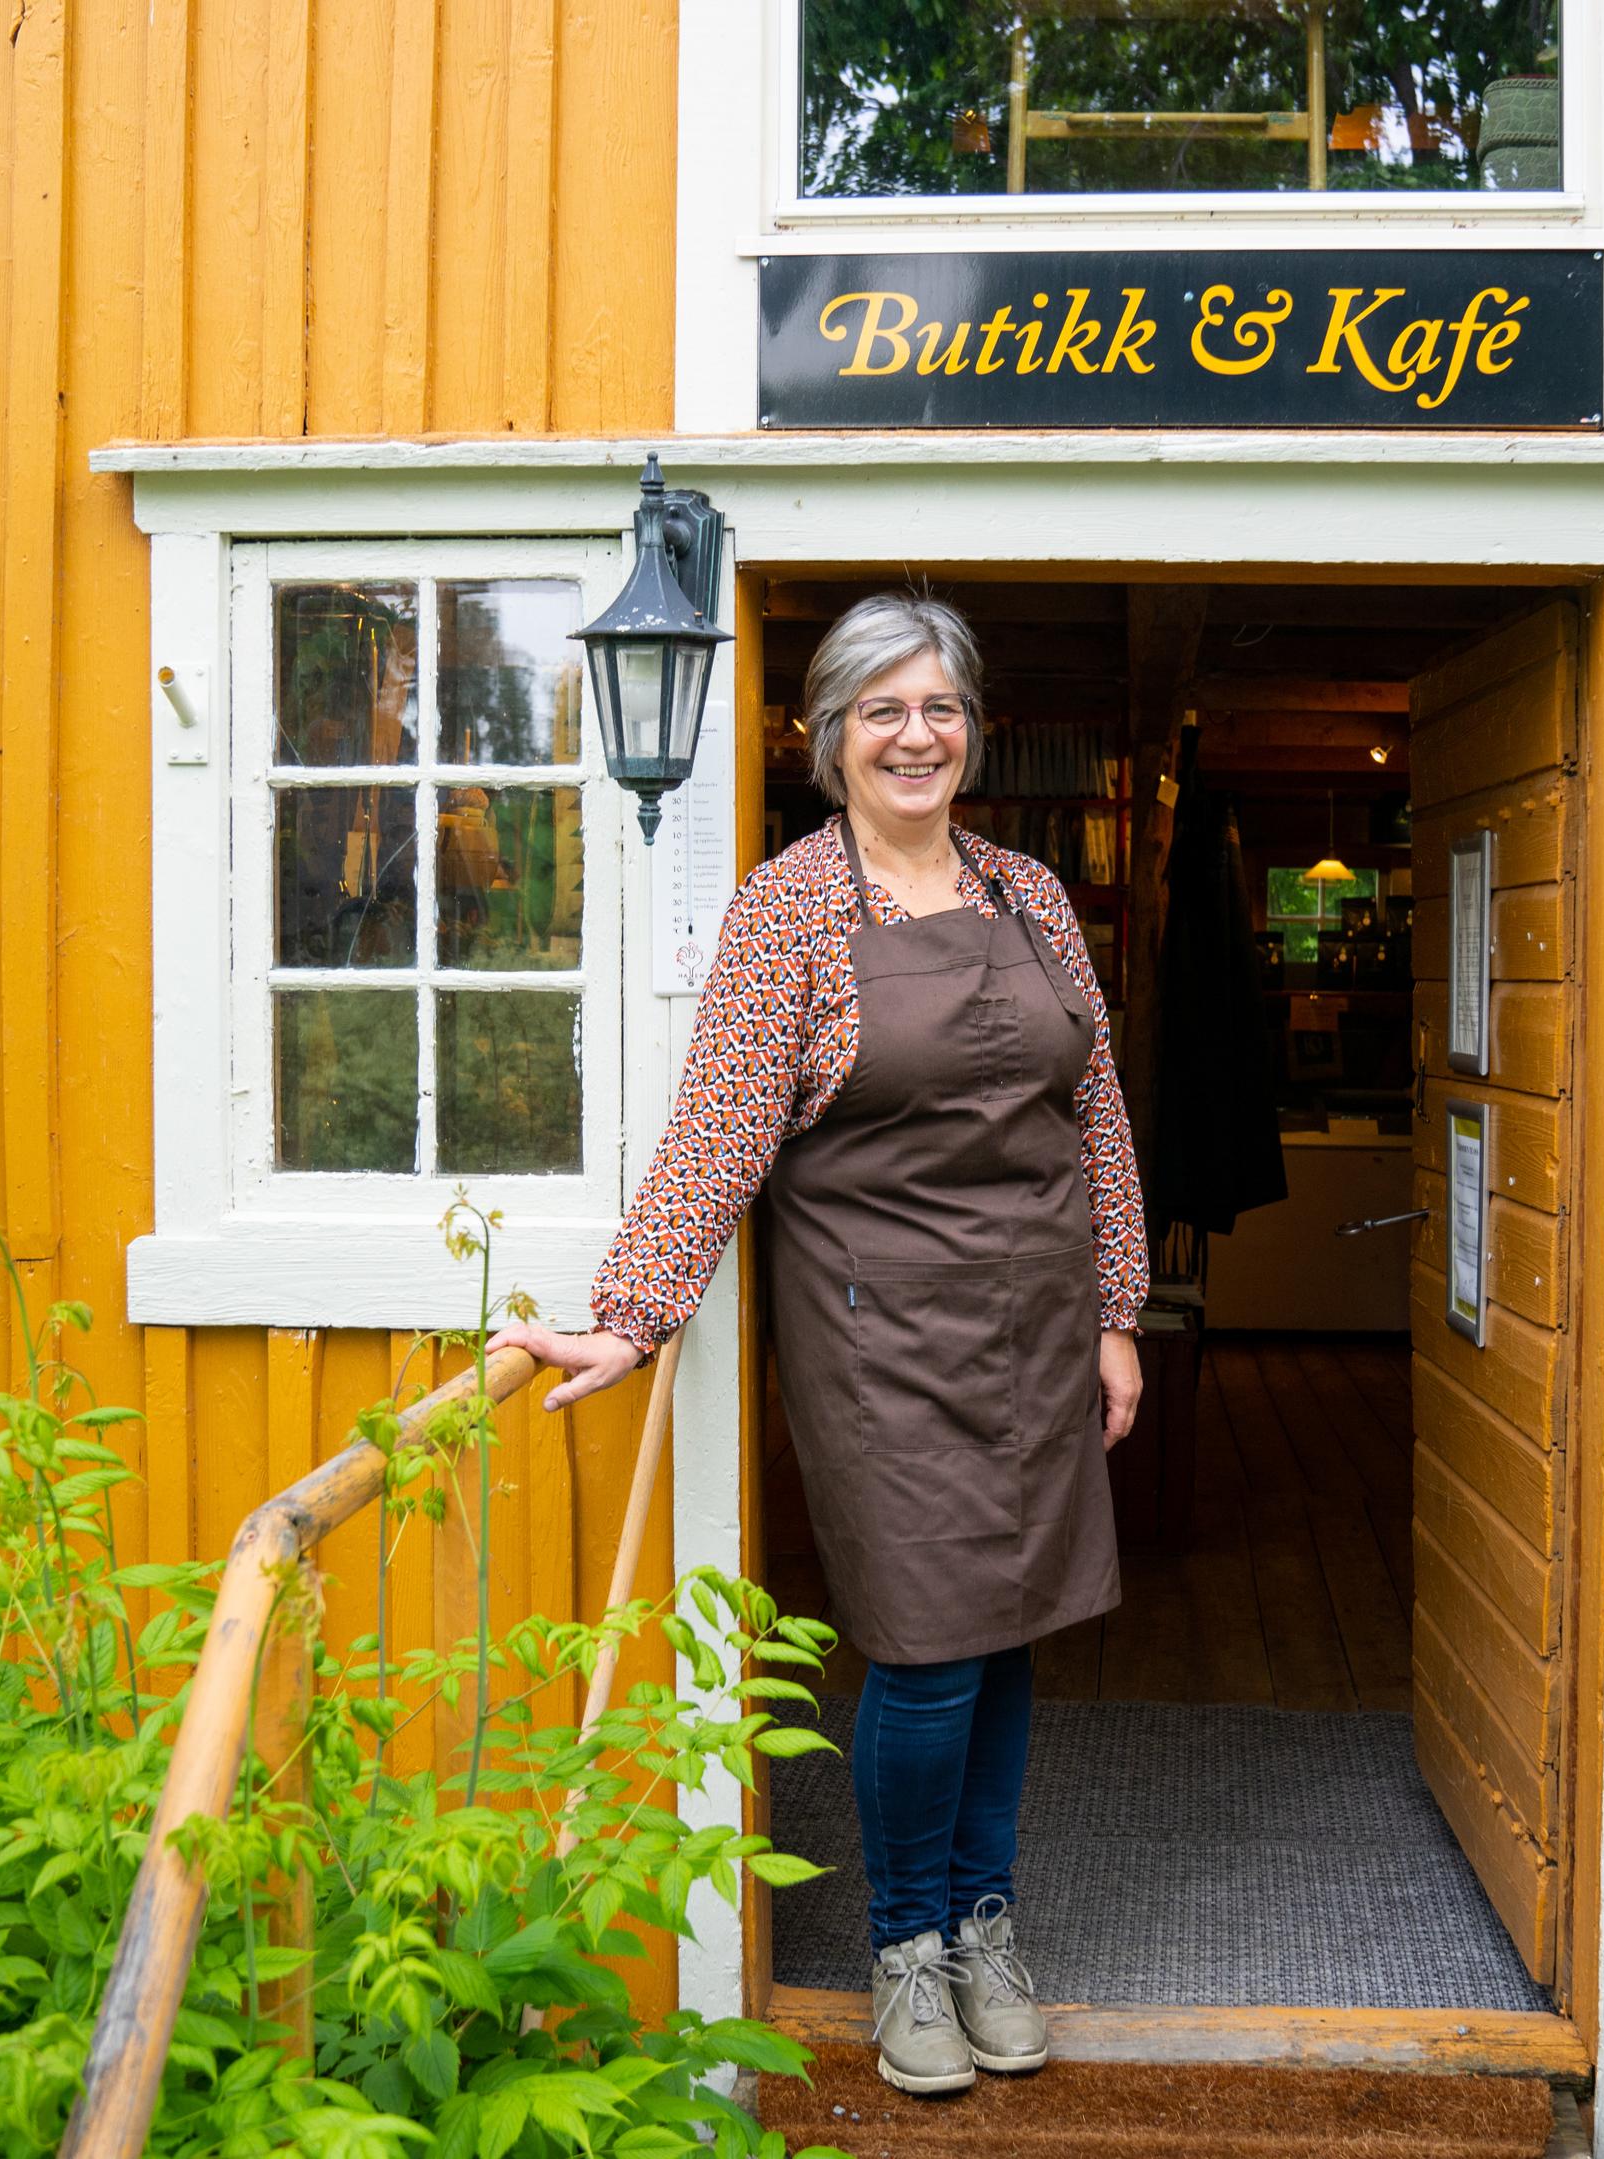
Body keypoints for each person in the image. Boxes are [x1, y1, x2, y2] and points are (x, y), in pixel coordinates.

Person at [490, 592, 1146, 2099]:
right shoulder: (789, 908)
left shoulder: (1033, 892)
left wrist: (1117, 1314)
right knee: (925, 1650)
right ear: (828, 737)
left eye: (939, 709)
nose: (916, 737)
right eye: (882, 711)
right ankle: (906, 1946)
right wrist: (633, 1312)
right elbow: (720, 1129)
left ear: (970, 728)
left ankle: (986, 1923)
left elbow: (1094, 1112)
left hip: (1040, 1324)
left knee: (1017, 1626)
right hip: (882, 1338)